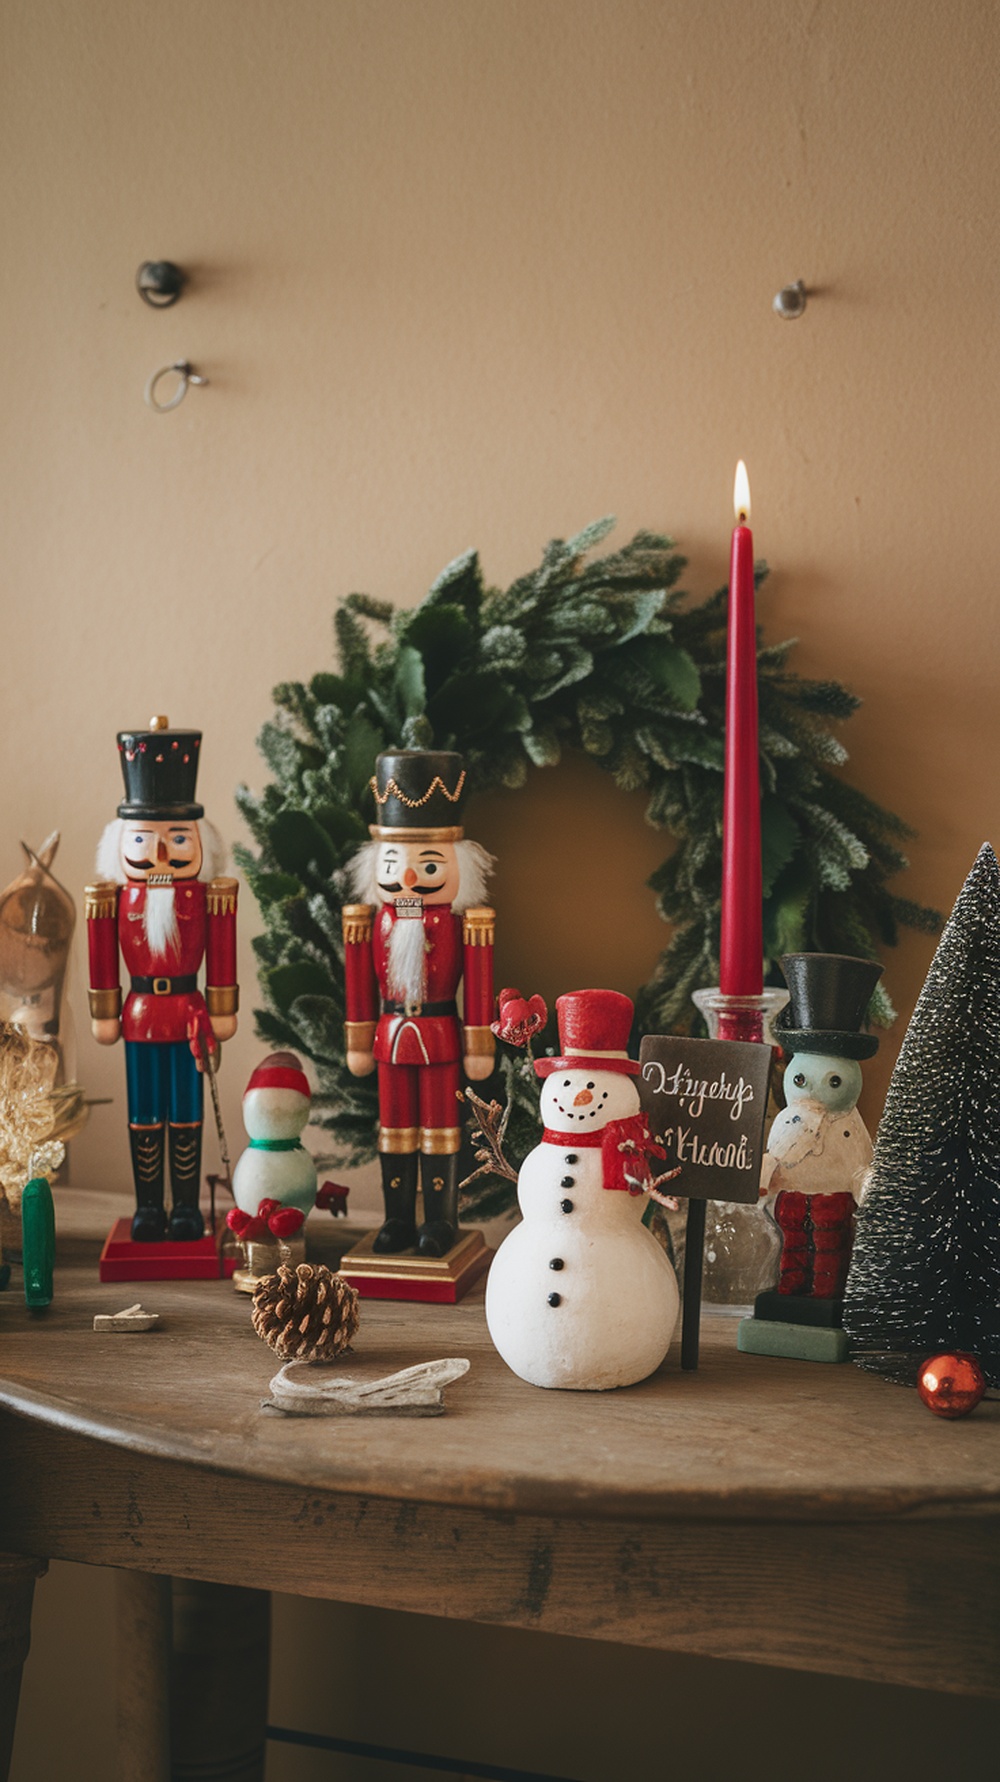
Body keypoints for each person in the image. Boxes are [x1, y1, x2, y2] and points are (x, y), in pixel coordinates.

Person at [86, 716, 238, 1242]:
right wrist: (104, 1010)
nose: (160, 855)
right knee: (144, 1113)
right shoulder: (114, 898)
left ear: (199, 840)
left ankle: (187, 1209)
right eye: (147, 838)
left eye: (176, 838)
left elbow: (221, 950)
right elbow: (102, 955)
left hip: (192, 1012)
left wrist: (222, 1005)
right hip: (140, 1013)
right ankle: (149, 1206)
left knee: (187, 1113)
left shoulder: (207, 896)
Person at [342, 749, 494, 1257]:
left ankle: (440, 1222)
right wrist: (359, 1038)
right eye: (394, 864)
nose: (408, 879)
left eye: (427, 865)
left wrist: (479, 1043)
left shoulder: (463, 924)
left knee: (441, 1132)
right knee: (394, 1131)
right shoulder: (370, 922)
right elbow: (359, 985)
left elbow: (476, 982)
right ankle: (396, 1220)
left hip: (440, 1036)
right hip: (389, 1036)